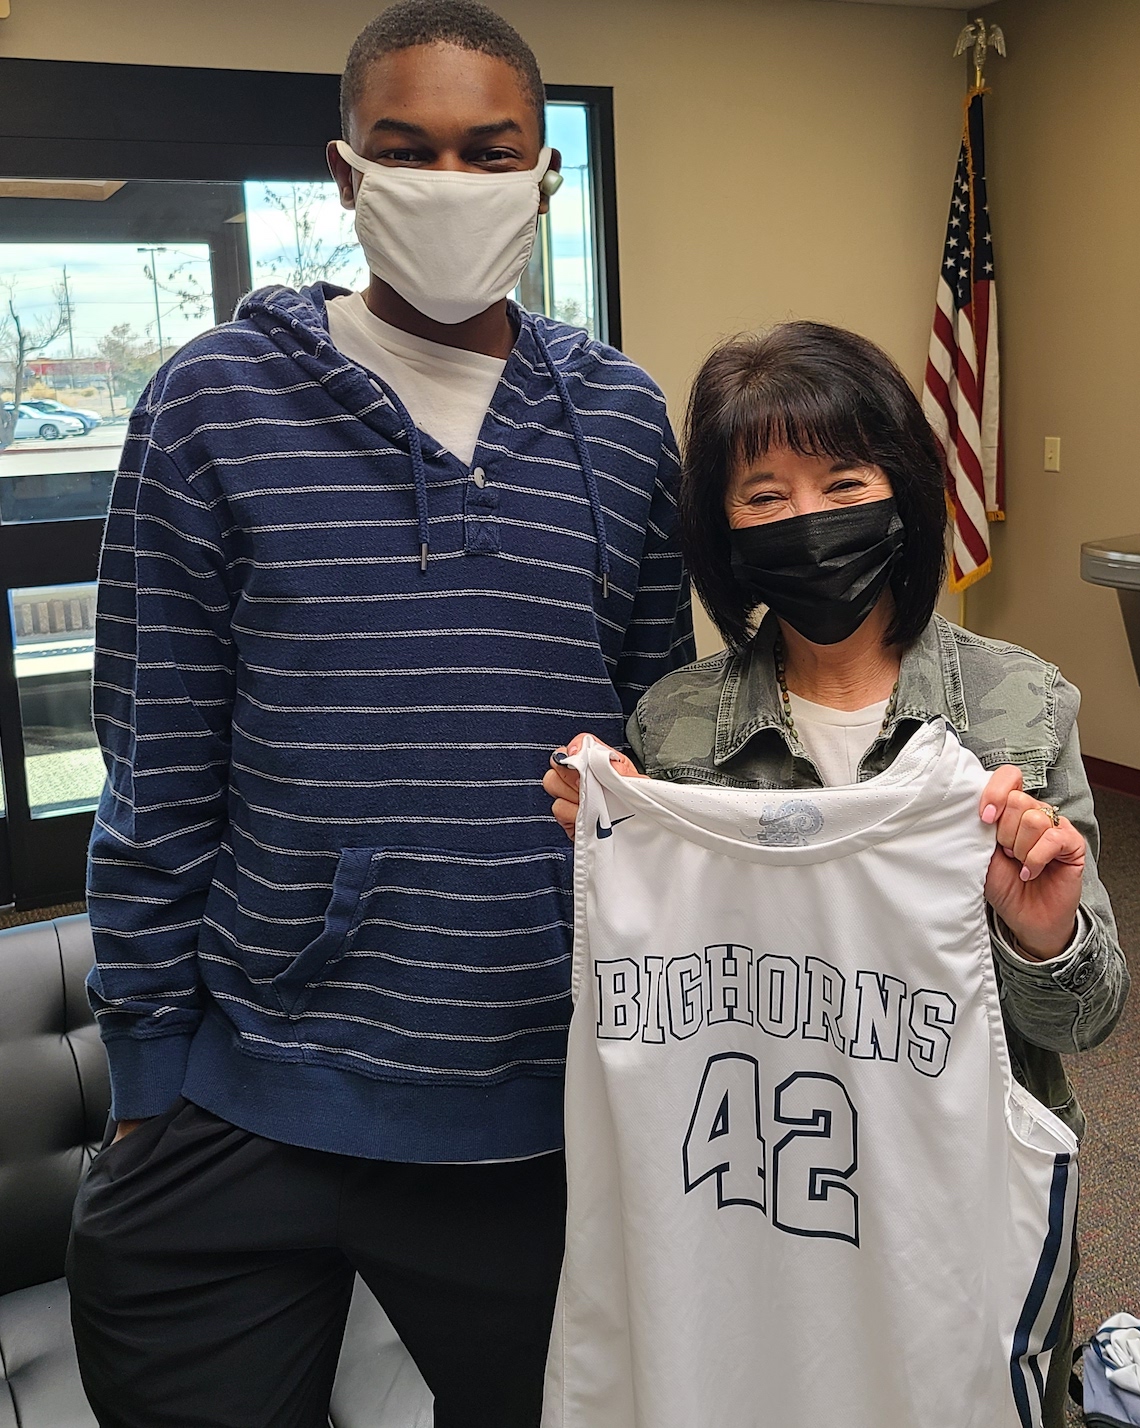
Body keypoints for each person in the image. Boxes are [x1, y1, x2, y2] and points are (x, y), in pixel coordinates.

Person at [67, 4, 693, 1425]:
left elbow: (665, 750)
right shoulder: (211, 404)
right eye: (407, 152)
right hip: (249, 1093)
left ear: (545, 178)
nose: (448, 184)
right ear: (346, 175)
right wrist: (149, 1072)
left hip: (534, 1102)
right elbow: (153, 771)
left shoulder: (617, 418)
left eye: (491, 152)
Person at [543, 319, 1127, 1428]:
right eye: (763, 495)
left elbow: (1088, 1019)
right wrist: (616, 850)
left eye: (842, 480)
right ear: (720, 527)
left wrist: (1043, 934)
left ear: (901, 490)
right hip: (744, 1212)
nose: (807, 521)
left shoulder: (1016, 710)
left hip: (942, 1221)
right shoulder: (673, 730)